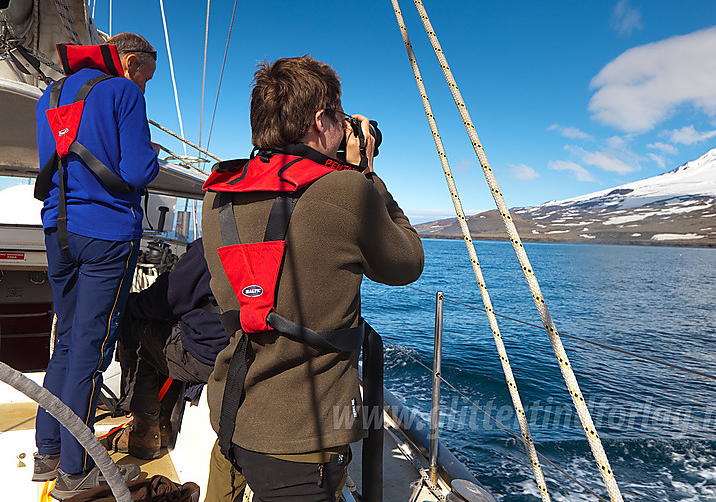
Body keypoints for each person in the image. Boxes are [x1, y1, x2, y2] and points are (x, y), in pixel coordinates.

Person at [201, 55, 424, 502]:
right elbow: (408, 262)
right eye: (341, 117)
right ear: (321, 121)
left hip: (232, 415)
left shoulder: (218, 196)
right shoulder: (346, 191)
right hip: (304, 439)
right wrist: (367, 173)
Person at [33, 33, 160, 501]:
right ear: (130, 61)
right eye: (148, 71)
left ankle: (48, 449)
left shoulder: (51, 93)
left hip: (56, 231)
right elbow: (137, 172)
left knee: (65, 339)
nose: (147, 83)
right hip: (105, 236)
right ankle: (76, 470)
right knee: (90, 345)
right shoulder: (123, 92)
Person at [109, 237, 228, 460]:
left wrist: (128, 304)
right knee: (174, 330)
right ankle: (163, 424)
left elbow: (165, 302)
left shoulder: (213, 244)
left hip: (209, 358)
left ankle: (144, 430)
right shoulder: (276, 244)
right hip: (246, 353)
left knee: (134, 325)